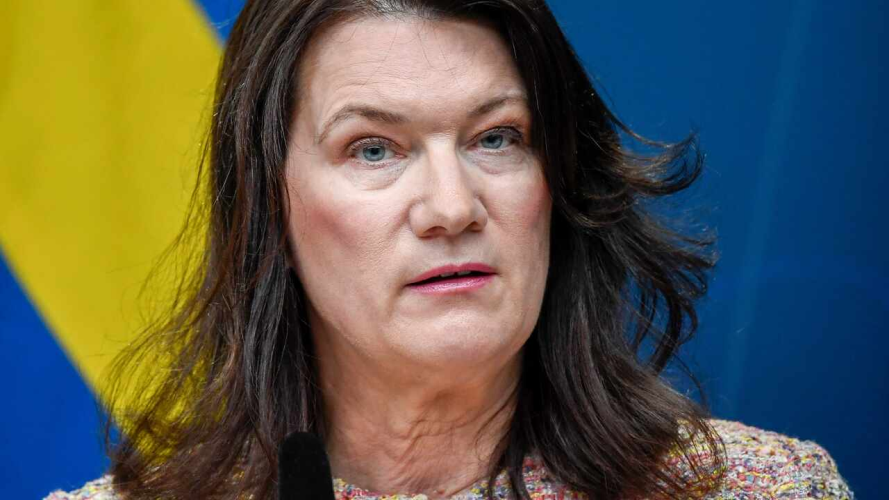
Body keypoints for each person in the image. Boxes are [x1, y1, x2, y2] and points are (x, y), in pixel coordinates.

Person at [47, 0, 853, 499]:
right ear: (270, 213)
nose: (451, 207)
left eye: (496, 138)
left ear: (559, 183)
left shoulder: (769, 491)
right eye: (372, 149)